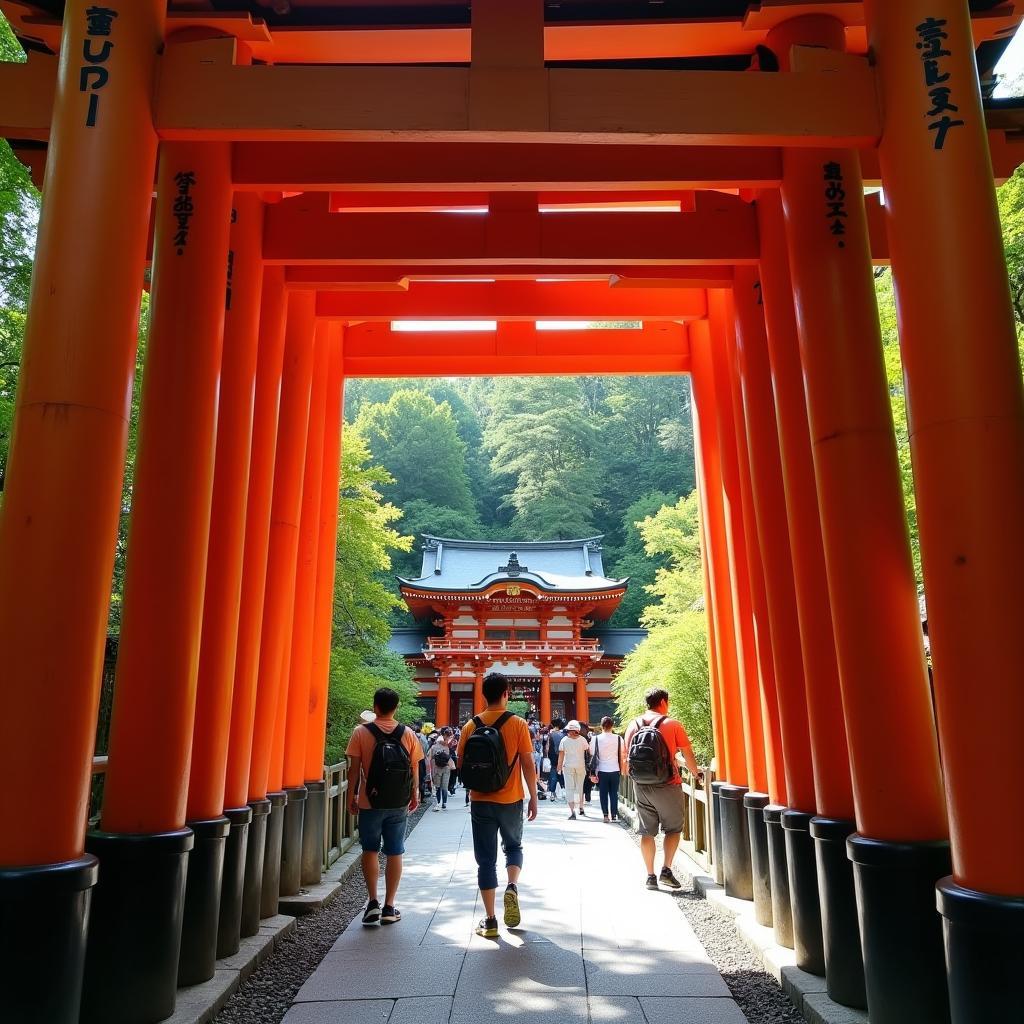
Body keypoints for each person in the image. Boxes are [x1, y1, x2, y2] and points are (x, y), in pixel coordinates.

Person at [457, 672, 538, 938]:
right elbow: (527, 763)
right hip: (511, 799)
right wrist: (533, 796)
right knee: (513, 847)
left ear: (484, 695)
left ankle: (490, 920)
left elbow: (461, 765)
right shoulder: (518, 724)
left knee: (486, 861)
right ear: (506, 694)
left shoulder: (470, 725)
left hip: (481, 800)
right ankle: (512, 886)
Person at [346, 687, 422, 925]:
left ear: (375, 706)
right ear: (396, 707)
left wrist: (352, 795)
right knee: (395, 851)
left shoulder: (361, 732)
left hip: (370, 801)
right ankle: (390, 907)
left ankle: (372, 904)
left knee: (370, 850)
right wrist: (414, 793)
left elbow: (353, 769)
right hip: (398, 802)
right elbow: (414, 768)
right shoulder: (408, 733)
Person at [624, 687, 702, 890]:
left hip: (641, 785)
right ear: (664, 702)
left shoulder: (633, 725)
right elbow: (688, 755)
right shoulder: (672, 724)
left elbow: (627, 758)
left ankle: (650, 876)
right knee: (673, 828)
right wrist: (696, 773)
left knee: (647, 832)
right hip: (668, 784)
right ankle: (666, 870)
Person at [589, 716, 627, 822]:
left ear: (601, 726)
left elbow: (592, 753)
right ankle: (614, 815)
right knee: (614, 793)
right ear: (612, 726)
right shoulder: (619, 739)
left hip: (601, 770)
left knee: (603, 793)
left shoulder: (595, 739)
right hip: (615, 769)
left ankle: (605, 815)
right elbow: (623, 754)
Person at [557, 720, 590, 820]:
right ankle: (580, 806)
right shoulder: (583, 740)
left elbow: (561, 755)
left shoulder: (564, 740)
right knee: (579, 788)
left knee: (569, 788)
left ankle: (572, 811)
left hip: (568, 766)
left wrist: (559, 767)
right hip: (580, 766)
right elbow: (588, 751)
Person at [428, 729, 453, 810]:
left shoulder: (433, 747)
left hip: (437, 768)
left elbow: (430, 758)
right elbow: (448, 758)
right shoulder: (446, 747)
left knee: (438, 787)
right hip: (446, 768)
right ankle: (444, 803)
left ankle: (438, 803)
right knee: (444, 787)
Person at [546, 719, 565, 800]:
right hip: (562, 755)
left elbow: (547, 747)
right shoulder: (563, 734)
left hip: (553, 755)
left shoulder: (550, 734)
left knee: (553, 773)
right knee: (561, 772)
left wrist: (547, 756)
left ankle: (552, 793)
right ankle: (563, 791)